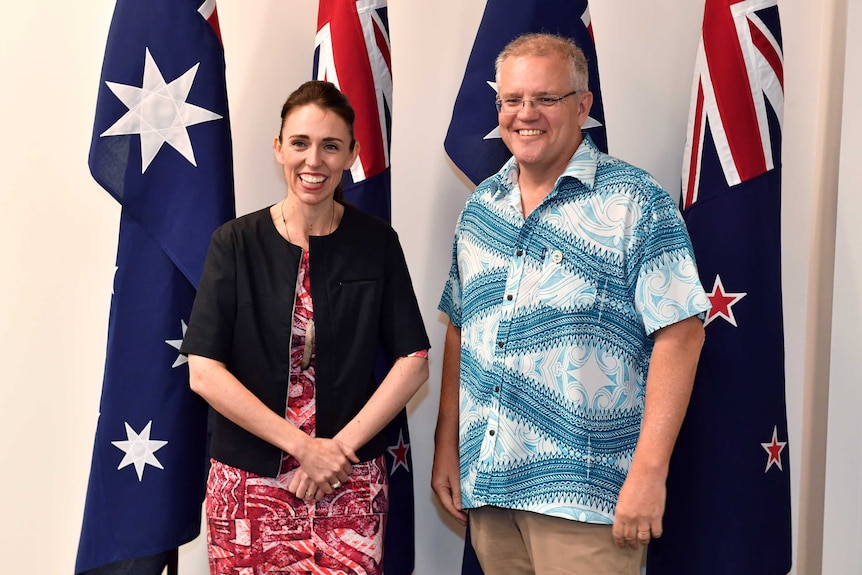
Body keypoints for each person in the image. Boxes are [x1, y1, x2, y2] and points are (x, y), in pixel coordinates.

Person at [432, 33, 711, 574]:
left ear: (583, 106)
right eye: (511, 101)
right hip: (491, 488)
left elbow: (682, 332)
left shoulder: (635, 203)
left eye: (545, 99)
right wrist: (448, 443)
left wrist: (650, 473)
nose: (525, 114)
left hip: (588, 500)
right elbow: (460, 328)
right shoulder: (482, 206)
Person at [181, 80, 430, 575]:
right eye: (300, 143)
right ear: (279, 149)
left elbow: (414, 361)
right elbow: (204, 371)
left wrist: (335, 452)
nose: (313, 160)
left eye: (330, 146)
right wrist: (302, 448)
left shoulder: (376, 242)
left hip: (350, 483)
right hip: (249, 490)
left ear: (352, 155)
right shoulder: (235, 242)